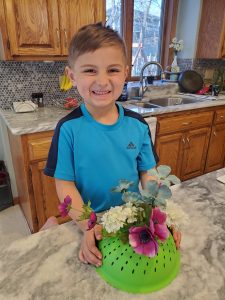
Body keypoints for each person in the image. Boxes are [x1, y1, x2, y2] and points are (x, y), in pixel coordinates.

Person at [44, 22, 181, 267]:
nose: (102, 81)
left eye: (113, 70)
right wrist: (88, 225)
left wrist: (160, 217)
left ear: (126, 72)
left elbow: (148, 175)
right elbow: (64, 185)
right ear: (72, 75)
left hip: (134, 220)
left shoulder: (138, 125)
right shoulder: (68, 129)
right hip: (91, 223)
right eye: (90, 70)